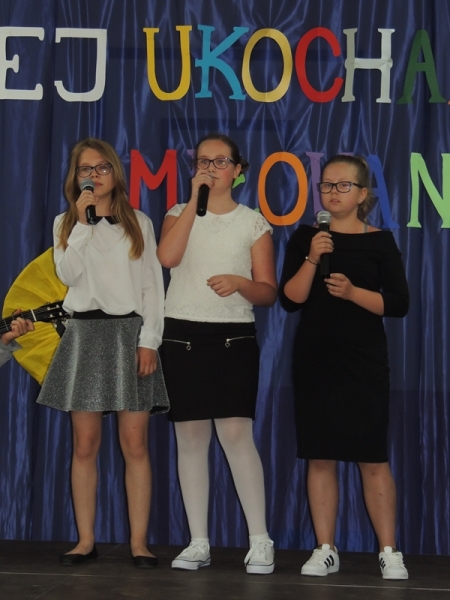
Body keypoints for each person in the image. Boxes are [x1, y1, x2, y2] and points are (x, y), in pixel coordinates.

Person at [37, 138, 169, 568]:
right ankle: (85, 540)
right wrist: (81, 223)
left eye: (101, 168)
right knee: (85, 444)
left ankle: (139, 543)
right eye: (85, 170)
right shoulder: (65, 223)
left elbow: (152, 287)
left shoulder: (139, 223)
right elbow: (68, 274)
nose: (93, 176)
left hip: (130, 334)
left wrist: (149, 340)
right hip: (85, 334)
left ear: (115, 172)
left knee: (135, 444)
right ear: (75, 178)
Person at [279, 155, 409, 580]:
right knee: (320, 456)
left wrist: (354, 293)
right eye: (326, 185)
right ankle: (325, 548)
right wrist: (312, 258)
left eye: (342, 186)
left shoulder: (380, 242)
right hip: (316, 360)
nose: (332, 193)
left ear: (362, 193)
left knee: (372, 457)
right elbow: (290, 299)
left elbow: (399, 304)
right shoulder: (307, 237)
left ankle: (389, 550)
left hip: (364, 361)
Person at [157, 134, 277, 574]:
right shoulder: (177, 212)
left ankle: (260, 541)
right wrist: (194, 201)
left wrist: (241, 283)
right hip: (181, 334)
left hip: (233, 337)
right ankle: (198, 542)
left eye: (221, 161)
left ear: (238, 170)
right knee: (189, 440)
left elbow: (268, 292)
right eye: (203, 161)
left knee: (236, 436)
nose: (210, 168)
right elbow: (167, 257)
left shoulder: (253, 223)